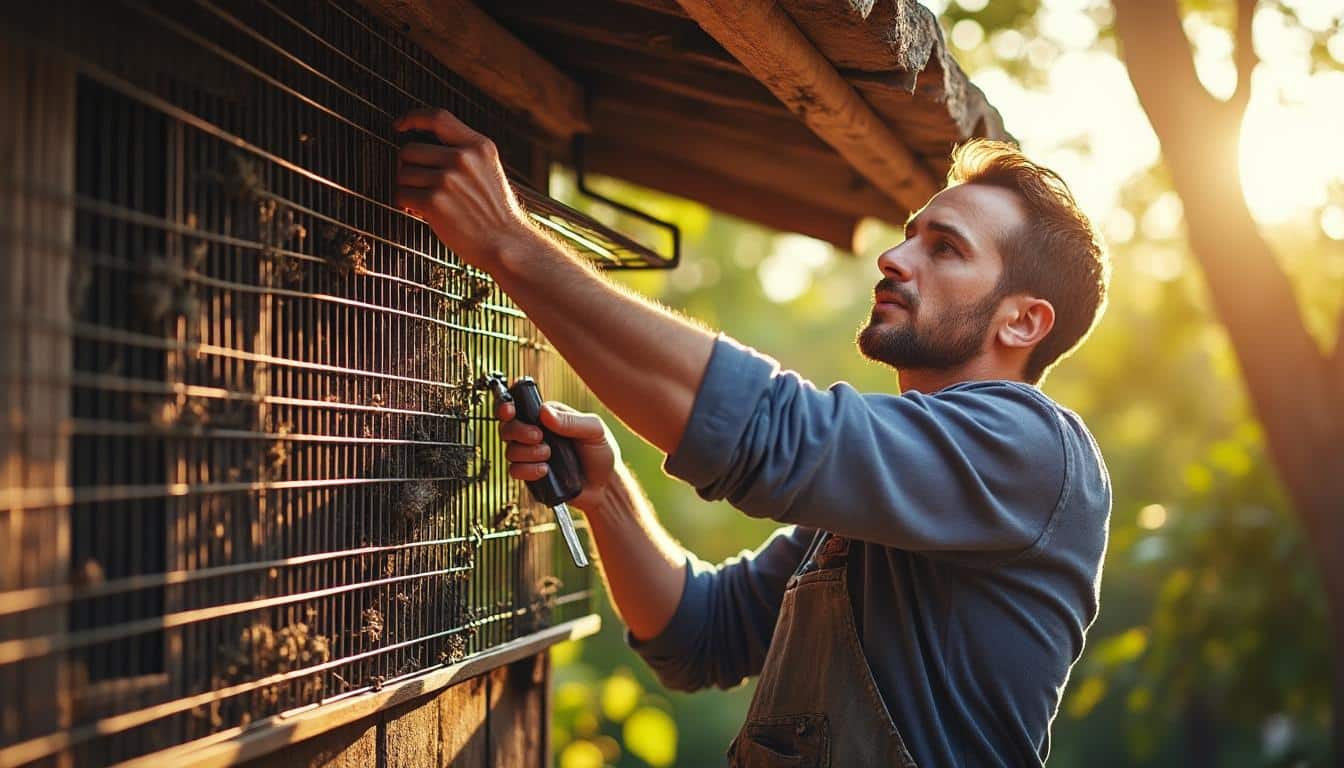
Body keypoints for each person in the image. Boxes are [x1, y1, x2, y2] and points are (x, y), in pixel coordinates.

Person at [393, 108, 1112, 767]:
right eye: (909, 234)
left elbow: (768, 431)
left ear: (1022, 322)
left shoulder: (1036, 451)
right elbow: (700, 634)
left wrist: (507, 241)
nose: (895, 258)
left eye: (946, 248)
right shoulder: (878, 507)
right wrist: (606, 495)